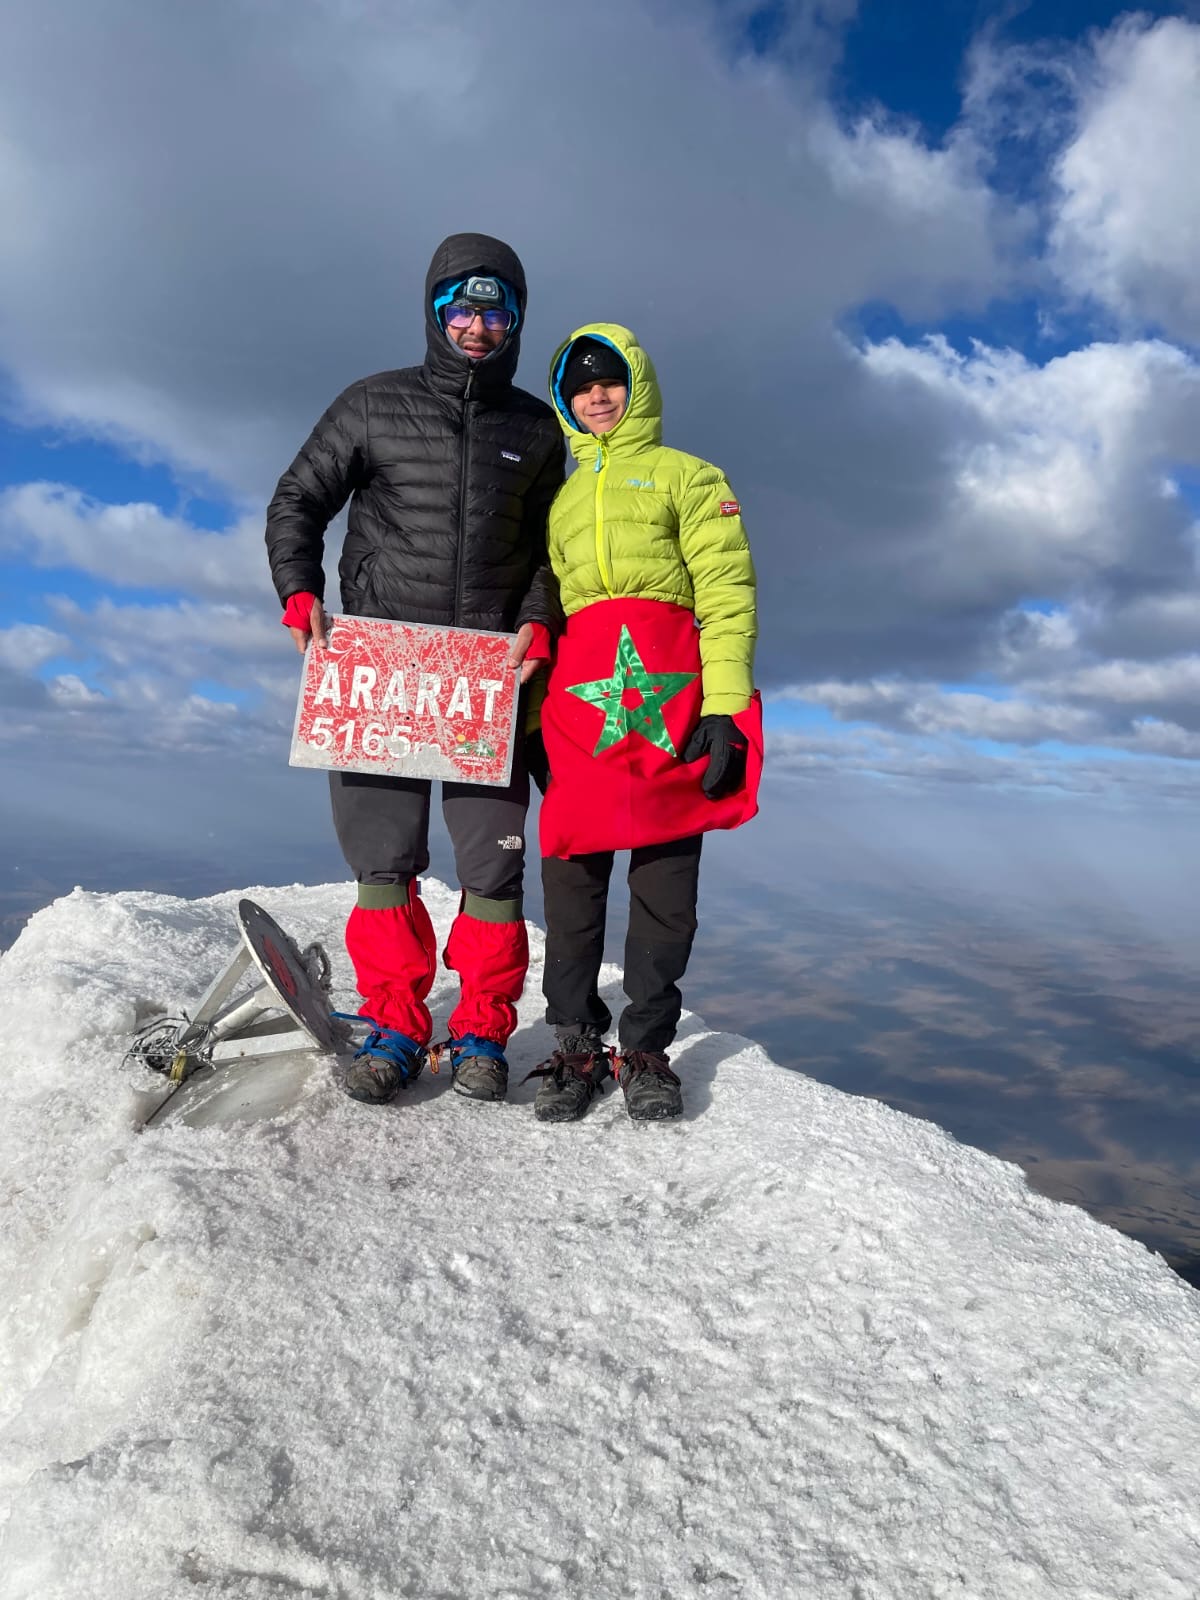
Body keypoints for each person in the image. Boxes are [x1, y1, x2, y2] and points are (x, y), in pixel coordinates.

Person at [265, 234, 565, 1107]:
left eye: (495, 310)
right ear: (437, 311)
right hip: (383, 670)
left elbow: (558, 549)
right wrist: (298, 591)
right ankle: (396, 1024)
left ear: (515, 321)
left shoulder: (537, 428)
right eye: (462, 308)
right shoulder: (372, 403)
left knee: (492, 873)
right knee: (383, 862)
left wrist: (540, 624)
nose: (479, 325)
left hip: (488, 678)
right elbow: (299, 499)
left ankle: (480, 1031)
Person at [528, 324, 762, 1124]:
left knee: (666, 882)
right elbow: (548, 614)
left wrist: (726, 707)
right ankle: (574, 1043)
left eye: (611, 379)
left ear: (639, 386)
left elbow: (727, 593)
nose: (597, 394)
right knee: (570, 876)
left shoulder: (688, 479)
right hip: (582, 708)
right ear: (564, 398)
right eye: (581, 384)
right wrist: (535, 723)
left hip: (673, 703)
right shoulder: (558, 499)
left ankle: (648, 1049)